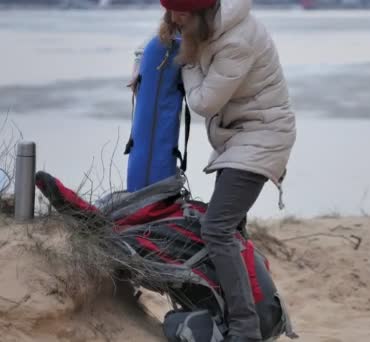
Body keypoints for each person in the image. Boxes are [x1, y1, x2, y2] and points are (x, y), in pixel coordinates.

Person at [133, 0, 296, 341]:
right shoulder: (207, 27)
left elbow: (205, 102)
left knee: (217, 230)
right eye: (171, 10)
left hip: (263, 138)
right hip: (241, 139)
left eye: (183, 13)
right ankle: (242, 311)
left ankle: (245, 330)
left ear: (204, 13)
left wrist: (186, 65)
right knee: (230, 229)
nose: (175, 18)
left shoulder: (237, 40)